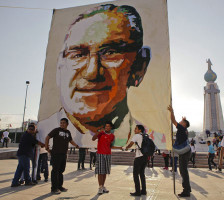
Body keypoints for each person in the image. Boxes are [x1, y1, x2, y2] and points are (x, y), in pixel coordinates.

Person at [36, 4, 169, 150]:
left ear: (139, 67)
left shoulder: (156, 139)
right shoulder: (41, 133)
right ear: (60, 66)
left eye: (110, 53)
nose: (91, 72)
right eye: (78, 55)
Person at [45, 118, 79, 194]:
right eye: (61, 123)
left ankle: (59, 186)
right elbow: (47, 137)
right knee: (55, 171)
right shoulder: (56, 130)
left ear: (67, 124)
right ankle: (54, 188)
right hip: (56, 154)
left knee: (61, 171)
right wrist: (47, 148)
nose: (62, 124)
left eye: (64, 123)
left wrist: (76, 145)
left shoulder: (68, 132)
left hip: (64, 154)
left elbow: (71, 140)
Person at [168, 105, 191, 198]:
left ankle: (186, 191)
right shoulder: (184, 129)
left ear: (184, 124)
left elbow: (173, 121)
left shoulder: (182, 128)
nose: (180, 122)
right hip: (186, 151)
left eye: (182, 122)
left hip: (184, 153)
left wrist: (171, 111)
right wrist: (184, 119)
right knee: (184, 170)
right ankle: (188, 188)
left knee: (183, 171)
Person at [92, 121, 119, 195]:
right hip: (100, 154)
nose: (106, 127)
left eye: (108, 126)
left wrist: (120, 147)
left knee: (105, 171)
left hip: (108, 155)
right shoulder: (101, 133)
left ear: (111, 127)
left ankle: (103, 186)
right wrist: (98, 132)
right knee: (100, 171)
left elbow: (111, 145)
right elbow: (93, 139)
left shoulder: (112, 136)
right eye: (105, 126)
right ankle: (100, 187)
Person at [125, 125, 148, 196]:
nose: (135, 130)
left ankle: (137, 191)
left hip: (139, 157)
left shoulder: (136, 136)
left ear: (140, 130)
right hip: (145, 157)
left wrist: (126, 147)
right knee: (142, 174)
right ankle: (143, 191)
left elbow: (131, 143)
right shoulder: (145, 136)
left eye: (136, 129)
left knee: (135, 174)